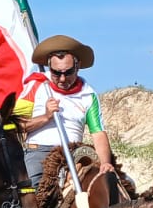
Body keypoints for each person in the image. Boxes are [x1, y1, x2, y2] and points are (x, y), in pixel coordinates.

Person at [17, 35, 116, 185]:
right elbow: (15, 125)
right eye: (56, 73)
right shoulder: (35, 85)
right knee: (29, 193)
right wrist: (45, 117)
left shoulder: (88, 94)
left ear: (78, 66)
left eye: (68, 72)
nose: (62, 79)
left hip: (75, 152)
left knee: (112, 186)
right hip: (39, 153)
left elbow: (98, 132)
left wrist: (105, 163)